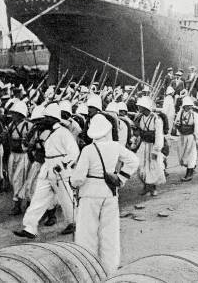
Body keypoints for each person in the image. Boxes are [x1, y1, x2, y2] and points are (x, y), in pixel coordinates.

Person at [70, 114, 139, 275]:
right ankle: (110, 270)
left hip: (90, 194)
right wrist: (121, 177)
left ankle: (88, 269)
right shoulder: (115, 146)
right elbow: (134, 161)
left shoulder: (88, 150)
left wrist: (73, 183)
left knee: (87, 233)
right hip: (109, 193)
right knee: (110, 233)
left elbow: (78, 178)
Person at [13, 102, 80, 238]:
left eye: (47, 117)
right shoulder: (48, 132)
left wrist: (62, 164)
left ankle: (74, 222)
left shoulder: (63, 133)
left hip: (60, 169)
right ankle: (30, 227)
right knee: (38, 198)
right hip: (47, 167)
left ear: (54, 119)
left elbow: (74, 152)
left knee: (66, 198)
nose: (44, 120)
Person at [5, 100, 31, 215]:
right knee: (12, 178)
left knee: (19, 179)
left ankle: (18, 205)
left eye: (15, 113)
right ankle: (19, 202)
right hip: (13, 154)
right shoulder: (11, 125)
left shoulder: (28, 125)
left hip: (23, 156)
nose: (13, 115)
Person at [135, 96, 165, 196]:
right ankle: (146, 186)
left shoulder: (156, 119)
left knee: (154, 166)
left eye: (140, 106)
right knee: (141, 165)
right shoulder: (140, 118)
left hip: (153, 145)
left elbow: (159, 135)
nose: (138, 108)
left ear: (145, 107)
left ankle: (153, 187)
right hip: (144, 144)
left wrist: (156, 150)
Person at [174, 96, 198, 182]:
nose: (188, 107)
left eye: (190, 105)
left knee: (191, 154)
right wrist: (177, 126)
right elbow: (176, 122)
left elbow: (197, 126)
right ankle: (191, 167)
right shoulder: (180, 113)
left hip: (191, 136)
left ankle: (189, 173)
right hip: (182, 136)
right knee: (182, 153)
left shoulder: (195, 115)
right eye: (186, 106)